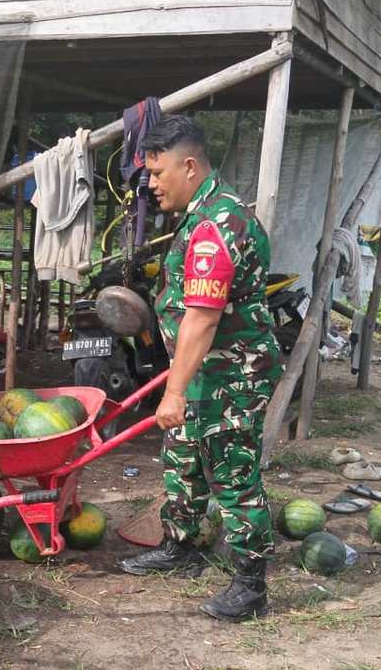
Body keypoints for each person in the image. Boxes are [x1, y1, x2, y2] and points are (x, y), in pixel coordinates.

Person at [117, 115, 284, 622]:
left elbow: (203, 317)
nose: (151, 184)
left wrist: (175, 390)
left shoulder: (216, 226)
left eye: (158, 172)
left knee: (231, 471)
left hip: (231, 373)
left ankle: (252, 583)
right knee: (184, 458)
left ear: (189, 166)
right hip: (203, 369)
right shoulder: (201, 214)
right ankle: (181, 547)